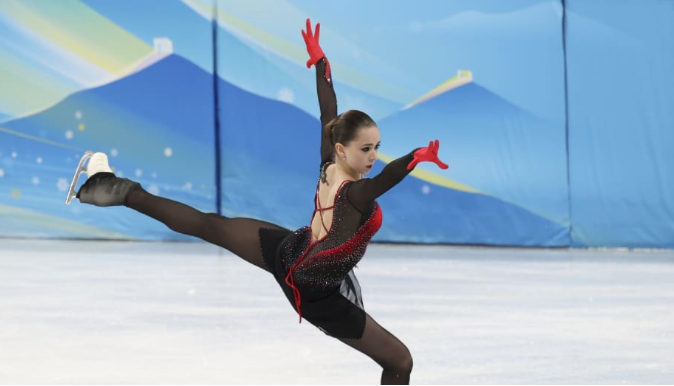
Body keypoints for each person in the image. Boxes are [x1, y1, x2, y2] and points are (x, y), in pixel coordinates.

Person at [72, 18, 448, 385]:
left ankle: (113, 188)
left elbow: (328, 112)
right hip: (316, 292)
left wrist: (320, 63)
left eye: (377, 148)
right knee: (400, 360)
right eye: (366, 149)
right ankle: (115, 188)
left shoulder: (329, 163)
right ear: (342, 149)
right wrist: (414, 158)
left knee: (211, 225)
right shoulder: (354, 195)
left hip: (292, 252)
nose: (373, 156)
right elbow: (385, 179)